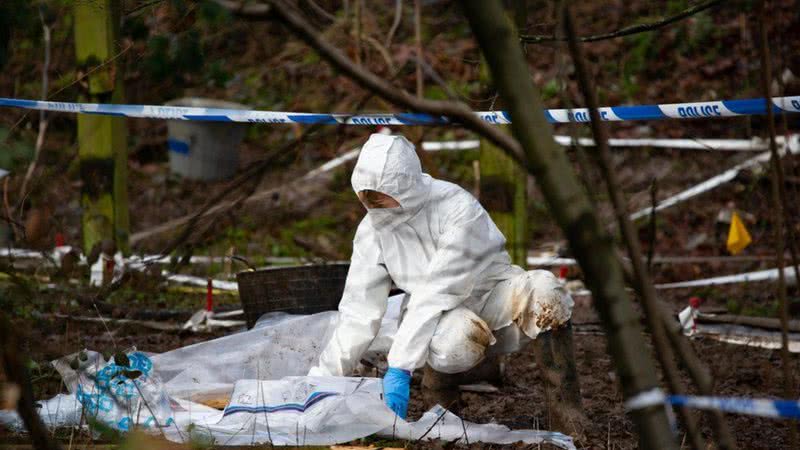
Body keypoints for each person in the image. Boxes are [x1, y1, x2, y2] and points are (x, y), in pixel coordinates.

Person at [308, 133, 574, 419]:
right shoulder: (372, 231)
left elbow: (438, 287)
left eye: (382, 198)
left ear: (406, 187)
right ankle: (443, 396)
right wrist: (324, 380)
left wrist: (399, 366)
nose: (375, 206)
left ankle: (566, 410)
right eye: (367, 198)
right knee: (455, 344)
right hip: (443, 315)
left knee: (547, 296)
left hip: (493, 290)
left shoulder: (455, 207)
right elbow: (359, 310)